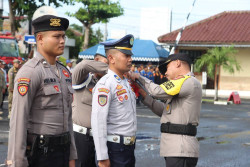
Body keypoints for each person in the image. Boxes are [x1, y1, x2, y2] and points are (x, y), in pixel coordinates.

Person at [6, 14, 77, 167]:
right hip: (42, 155)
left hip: (63, 152)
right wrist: (17, 162)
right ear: (40, 39)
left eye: (63, 36)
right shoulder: (30, 72)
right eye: (57, 36)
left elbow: (68, 118)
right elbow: (18, 121)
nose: (62, 41)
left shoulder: (64, 73)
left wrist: (72, 155)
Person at [128, 53, 202, 167]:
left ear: (177, 63)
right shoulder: (182, 86)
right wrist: (144, 96)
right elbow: (164, 111)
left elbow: (156, 91)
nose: (166, 73)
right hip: (175, 148)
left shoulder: (188, 81)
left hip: (181, 148)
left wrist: (139, 77)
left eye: (167, 68)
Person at [91, 34, 137, 167]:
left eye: (130, 56)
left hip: (127, 149)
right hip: (114, 149)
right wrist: (102, 156)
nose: (130, 59)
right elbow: (98, 122)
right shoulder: (105, 84)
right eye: (126, 56)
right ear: (111, 58)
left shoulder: (124, 82)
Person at [72, 45, 108, 167]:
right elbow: (83, 65)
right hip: (82, 137)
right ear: (96, 61)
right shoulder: (83, 78)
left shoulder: (107, 84)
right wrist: (114, 68)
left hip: (100, 137)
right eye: (106, 63)